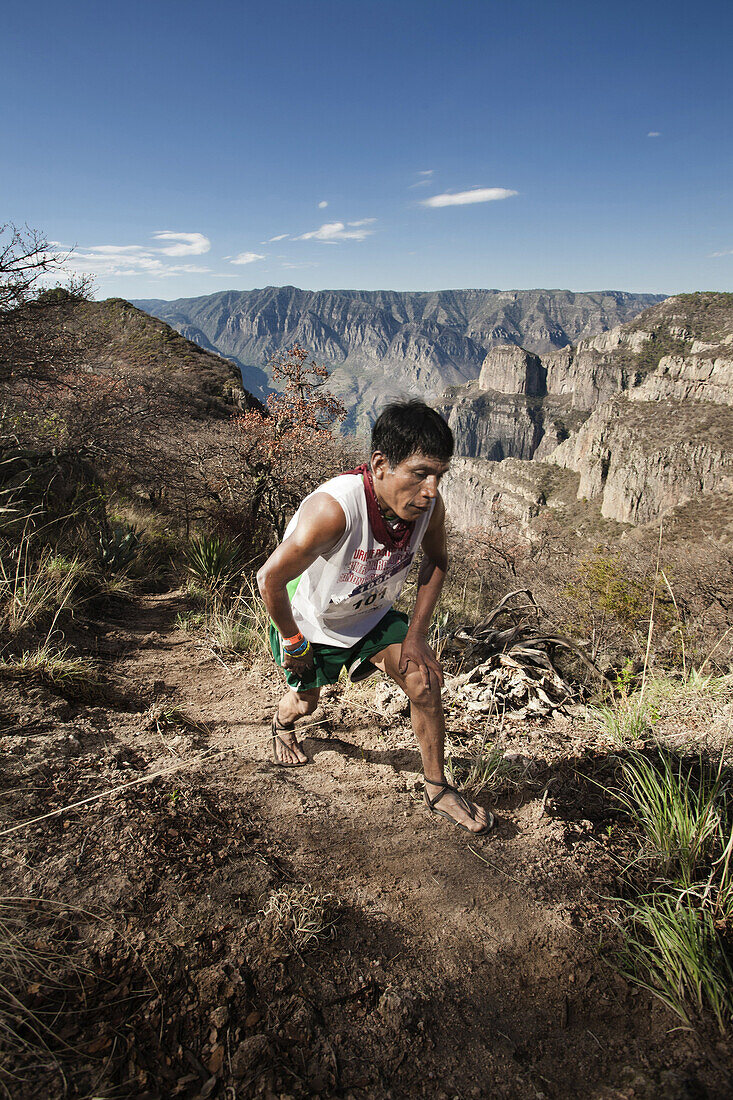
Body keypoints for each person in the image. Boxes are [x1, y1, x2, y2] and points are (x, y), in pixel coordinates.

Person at [256, 400, 493, 835]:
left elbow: (437, 561)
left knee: (422, 679)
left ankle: (437, 787)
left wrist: (417, 635)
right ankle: (281, 723)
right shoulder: (335, 511)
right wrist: (293, 641)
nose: (431, 489)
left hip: (371, 616)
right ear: (381, 464)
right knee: (306, 701)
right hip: (312, 622)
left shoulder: (428, 511)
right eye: (420, 472)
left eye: (440, 475)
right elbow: (269, 578)